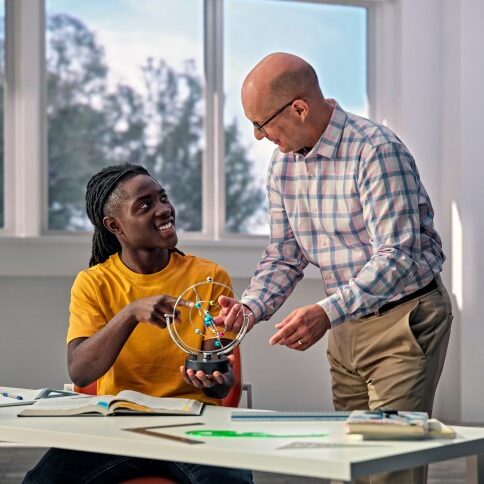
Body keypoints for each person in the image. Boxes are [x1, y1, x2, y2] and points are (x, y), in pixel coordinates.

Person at [216, 52, 452, 484]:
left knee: (388, 469)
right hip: (345, 324)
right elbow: (284, 253)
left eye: (261, 124)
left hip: (403, 319)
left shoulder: (376, 150)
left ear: (299, 108)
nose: (256, 136)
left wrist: (325, 312)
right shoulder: (283, 164)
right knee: (349, 465)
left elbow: (397, 256)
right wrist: (249, 309)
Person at [23, 164, 253, 484]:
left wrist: (214, 378)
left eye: (163, 197)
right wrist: (130, 314)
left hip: (193, 425)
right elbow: (80, 371)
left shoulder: (209, 277)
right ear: (114, 225)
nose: (163, 210)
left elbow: (222, 383)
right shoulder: (94, 283)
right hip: (116, 426)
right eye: (144, 205)